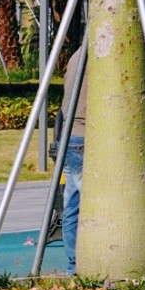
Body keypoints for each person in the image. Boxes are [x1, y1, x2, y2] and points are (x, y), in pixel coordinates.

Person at [60, 49, 85, 274]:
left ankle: (73, 264)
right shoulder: (100, 55)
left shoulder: (75, 55)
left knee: (73, 203)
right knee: (88, 202)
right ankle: (83, 263)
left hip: (70, 133)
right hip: (86, 133)